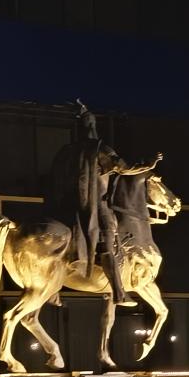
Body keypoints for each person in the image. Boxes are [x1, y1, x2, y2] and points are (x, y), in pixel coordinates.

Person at [43, 102, 161, 306]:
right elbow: (125, 169)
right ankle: (118, 291)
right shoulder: (99, 150)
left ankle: (54, 289)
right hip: (96, 205)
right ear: (92, 127)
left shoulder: (65, 152)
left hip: (64, 206)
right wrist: (148, 163)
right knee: (108, 238)